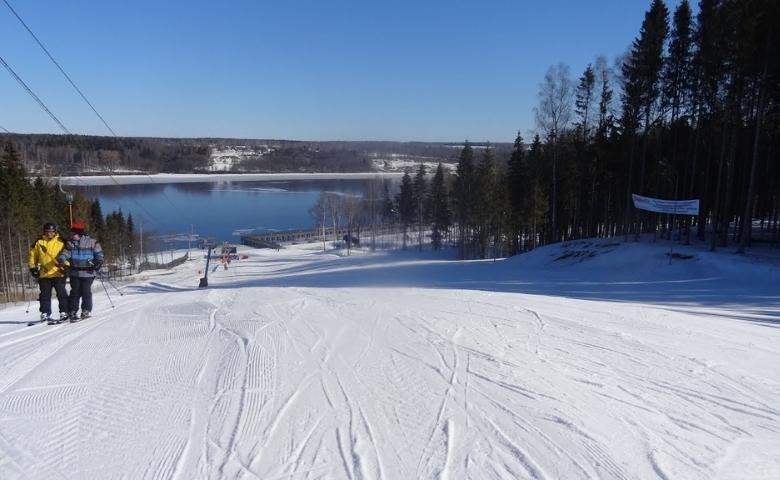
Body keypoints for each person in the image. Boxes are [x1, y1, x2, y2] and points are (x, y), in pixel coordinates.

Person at [58, 222, 104, 321]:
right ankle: (72, 311)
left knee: (85, 291)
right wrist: (61, 258)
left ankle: (86, 310)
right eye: (71, 234)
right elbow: (66, 253)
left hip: (88, 272)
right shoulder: (70, 244)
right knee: (75, 292)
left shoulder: (92, 242)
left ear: (79, 234)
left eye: (73, 234)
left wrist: (98, 263)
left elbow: (99, 255)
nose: (71, 236)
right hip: (75, 272)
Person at [27, 222, 70, 323]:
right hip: (44, 273)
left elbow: (66, 254)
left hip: (58, 273)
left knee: (61, 293)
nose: (49, 233)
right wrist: (33, 268)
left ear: (55, 231)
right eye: (47, 231)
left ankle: (64, 312)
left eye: (52, 231)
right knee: (44, 295)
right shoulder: (39, 242)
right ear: (44, 231)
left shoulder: (61, 241)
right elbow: (32, 256)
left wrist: (67, 266)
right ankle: (45, 313)